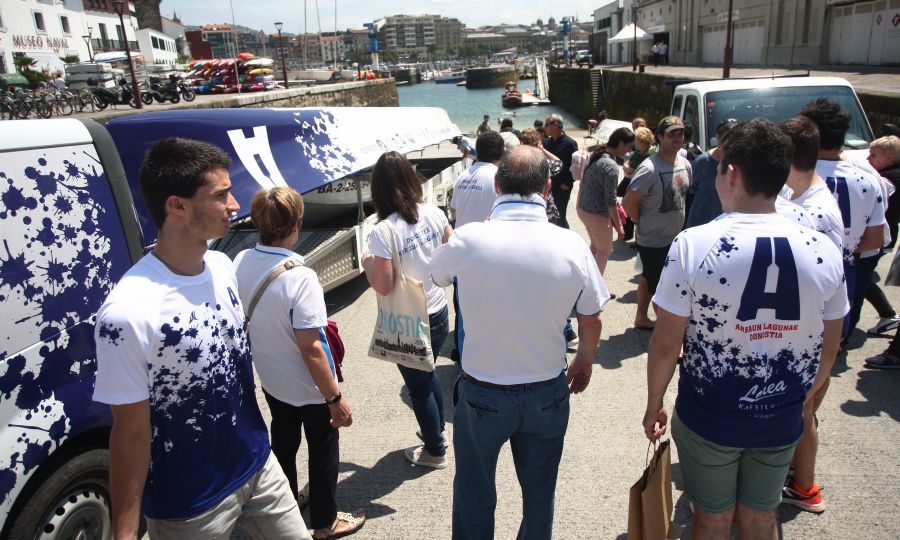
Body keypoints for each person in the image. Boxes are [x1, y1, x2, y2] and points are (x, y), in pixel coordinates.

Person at [93, 138, 310, 539]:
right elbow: (130, 432)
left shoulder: (222, 266)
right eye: (221, 195)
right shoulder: (128, 313)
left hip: (259, 466)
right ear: (177, 205)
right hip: (190, 505)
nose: (234, 205)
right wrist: (124, 532)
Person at [643, 119, 847, 539]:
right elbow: (831, 341)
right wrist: (807, 396)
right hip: (781, 411)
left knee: (713, 517)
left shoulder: (694, 244)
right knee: (760, 515)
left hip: (711, 411)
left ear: (731, 173)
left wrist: (654, 401)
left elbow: (666, 343)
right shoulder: (822, 247)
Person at [431, 145, 609, 540]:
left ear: (497, 184)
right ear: (547, 187)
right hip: (547, 389)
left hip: (483, 393)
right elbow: (592, 316)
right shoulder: (571, 244)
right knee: (540, 491)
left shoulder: (469, 239)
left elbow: (437, 275)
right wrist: (584, 359)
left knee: (475, 491)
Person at [233, 187, 365, 539]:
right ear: (295, 224)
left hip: (272, 380)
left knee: (285, 441)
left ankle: (285, 510)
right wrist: (335, 399)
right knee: (323, 450)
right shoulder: (300, 277)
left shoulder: (241, 261)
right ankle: (325, 522)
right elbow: (313, 349)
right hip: (308, 387)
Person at [362, 151, 453, 469]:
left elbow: (383, 285)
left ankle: (435, 450)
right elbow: (450, 253)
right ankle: (437, 432)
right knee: (427, 376)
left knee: (419, 387)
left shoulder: (382, 231)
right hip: (439, 310)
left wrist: (368, 264)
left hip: (409, 320)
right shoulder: (434, 213)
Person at [800, 98, 886, 346]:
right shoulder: (869, 180)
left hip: (802, 266)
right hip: (844, 266)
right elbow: (874, 240)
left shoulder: (795, 176)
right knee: (832, 340)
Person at [622, 116, 692, 330]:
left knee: (647, 278)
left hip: (675, 238)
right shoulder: (649, 168)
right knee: (664, 288)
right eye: (672, 133)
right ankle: (670, 331)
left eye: (680, 133)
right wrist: (638, 219)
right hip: (653, 240)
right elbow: (628, 202)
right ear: (660, 137)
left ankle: (641, 318)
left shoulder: (685, 164)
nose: (677, 137)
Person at [577, 127, 633, 275]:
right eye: (629, 146)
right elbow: (611, 200)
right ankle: (595, 291)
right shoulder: (611, 166)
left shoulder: (597, 156)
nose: (629, 150)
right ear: (621, 143)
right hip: (597, 215)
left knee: (596, 248)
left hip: (584, 210)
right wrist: (620, 227)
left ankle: (586, 281)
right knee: (604, 252)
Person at [864, 135, 900, 336]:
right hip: (885, 234)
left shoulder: (888, 180)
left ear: (888, 157)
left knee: (862, 277)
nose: (869, 159)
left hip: (881, 236)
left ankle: (888, 314)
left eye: (874, 155)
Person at [685, 118, 740, 228]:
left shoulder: (741, 162)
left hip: (727, 227)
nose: (730, 143)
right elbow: (689, 193)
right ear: (718, 138)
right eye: (726, 138)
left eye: (735, 139)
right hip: (701, 225)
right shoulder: (702, 162)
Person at [450, 131, 504, 228]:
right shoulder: (500, 177)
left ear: (477, 152)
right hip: (486, 239)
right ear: (501, 153)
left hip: (460, 237)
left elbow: (453, 211)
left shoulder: (462, 176)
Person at [543, 113, 579, 228]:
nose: (545, 127)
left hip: (562, 186)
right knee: (549, 215)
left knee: (560, 216)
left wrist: (568, 183)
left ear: (556, 125)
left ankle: (566, 238)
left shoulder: (570, 143)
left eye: (547, 125)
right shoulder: (546, 143)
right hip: (548, 186)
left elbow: (576, 166)